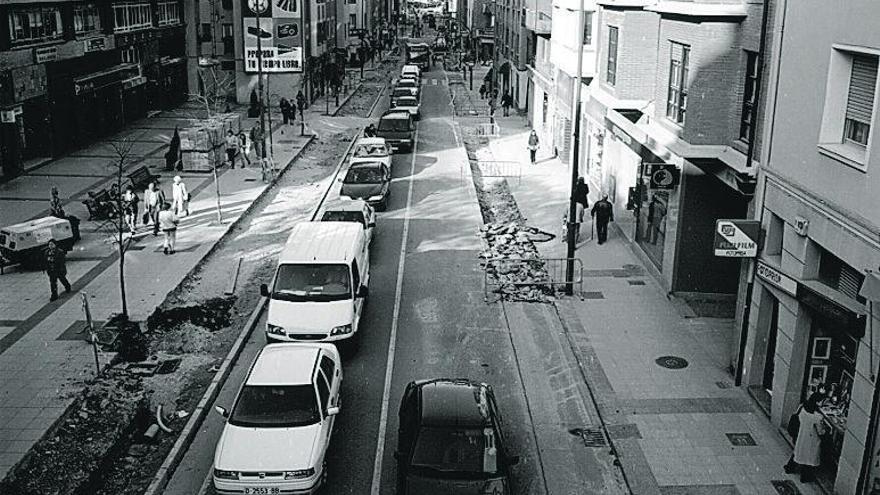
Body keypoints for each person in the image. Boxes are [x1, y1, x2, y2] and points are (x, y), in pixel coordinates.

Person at [785, 394, 827, 482]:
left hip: (801, 434)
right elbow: (820, 431)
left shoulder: (803, 408)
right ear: (817, 402)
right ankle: (805, 477)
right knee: (808, 459)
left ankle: (790, 468)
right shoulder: (818, 417)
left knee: (798, 452)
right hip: (812, 439)